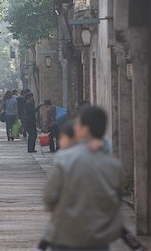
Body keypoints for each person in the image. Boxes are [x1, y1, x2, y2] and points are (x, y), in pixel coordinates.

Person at [43, 106, 123, 251]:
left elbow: (49, 197)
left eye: (78, 124)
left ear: (85, 129)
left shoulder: (64, 158)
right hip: (98, 236)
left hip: (66, 235)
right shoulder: (113, 164)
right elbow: (115, 200)